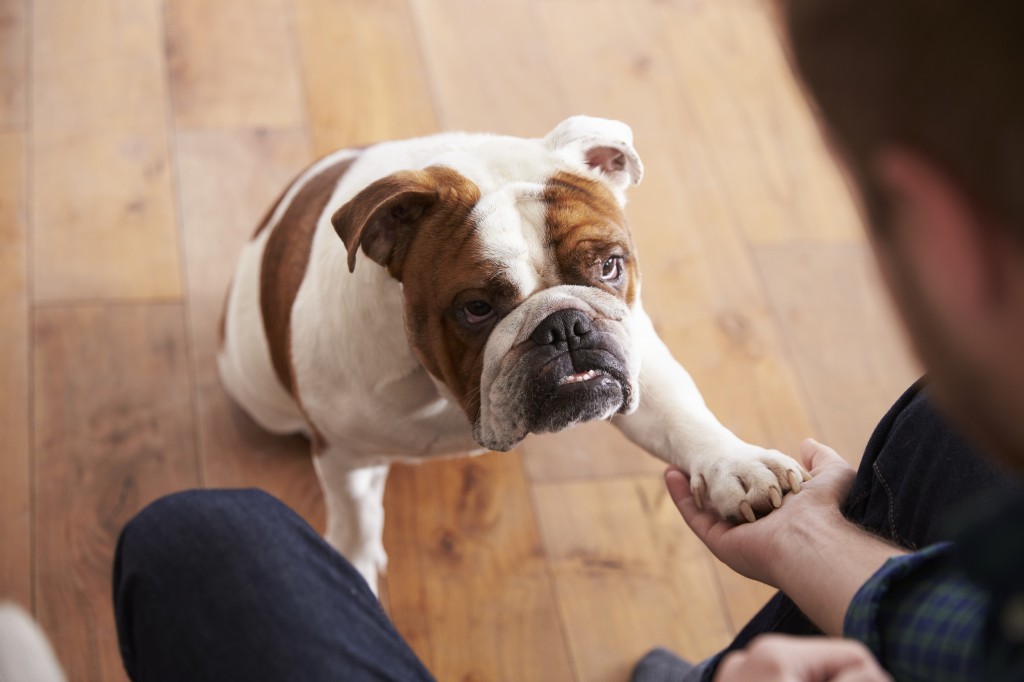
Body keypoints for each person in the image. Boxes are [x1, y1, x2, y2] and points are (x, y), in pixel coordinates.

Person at [112, 1, 1024, 680]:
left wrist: (712, 447)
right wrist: (355, 541)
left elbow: (639, 354)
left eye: (604, 274)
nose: (570, 334)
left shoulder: (573, 187)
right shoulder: (361, 295)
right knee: (257, 405)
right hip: (312, 388)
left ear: (613, 174)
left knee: (198, 543)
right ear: (384, 249)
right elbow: (342, 441)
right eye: (480, 310)